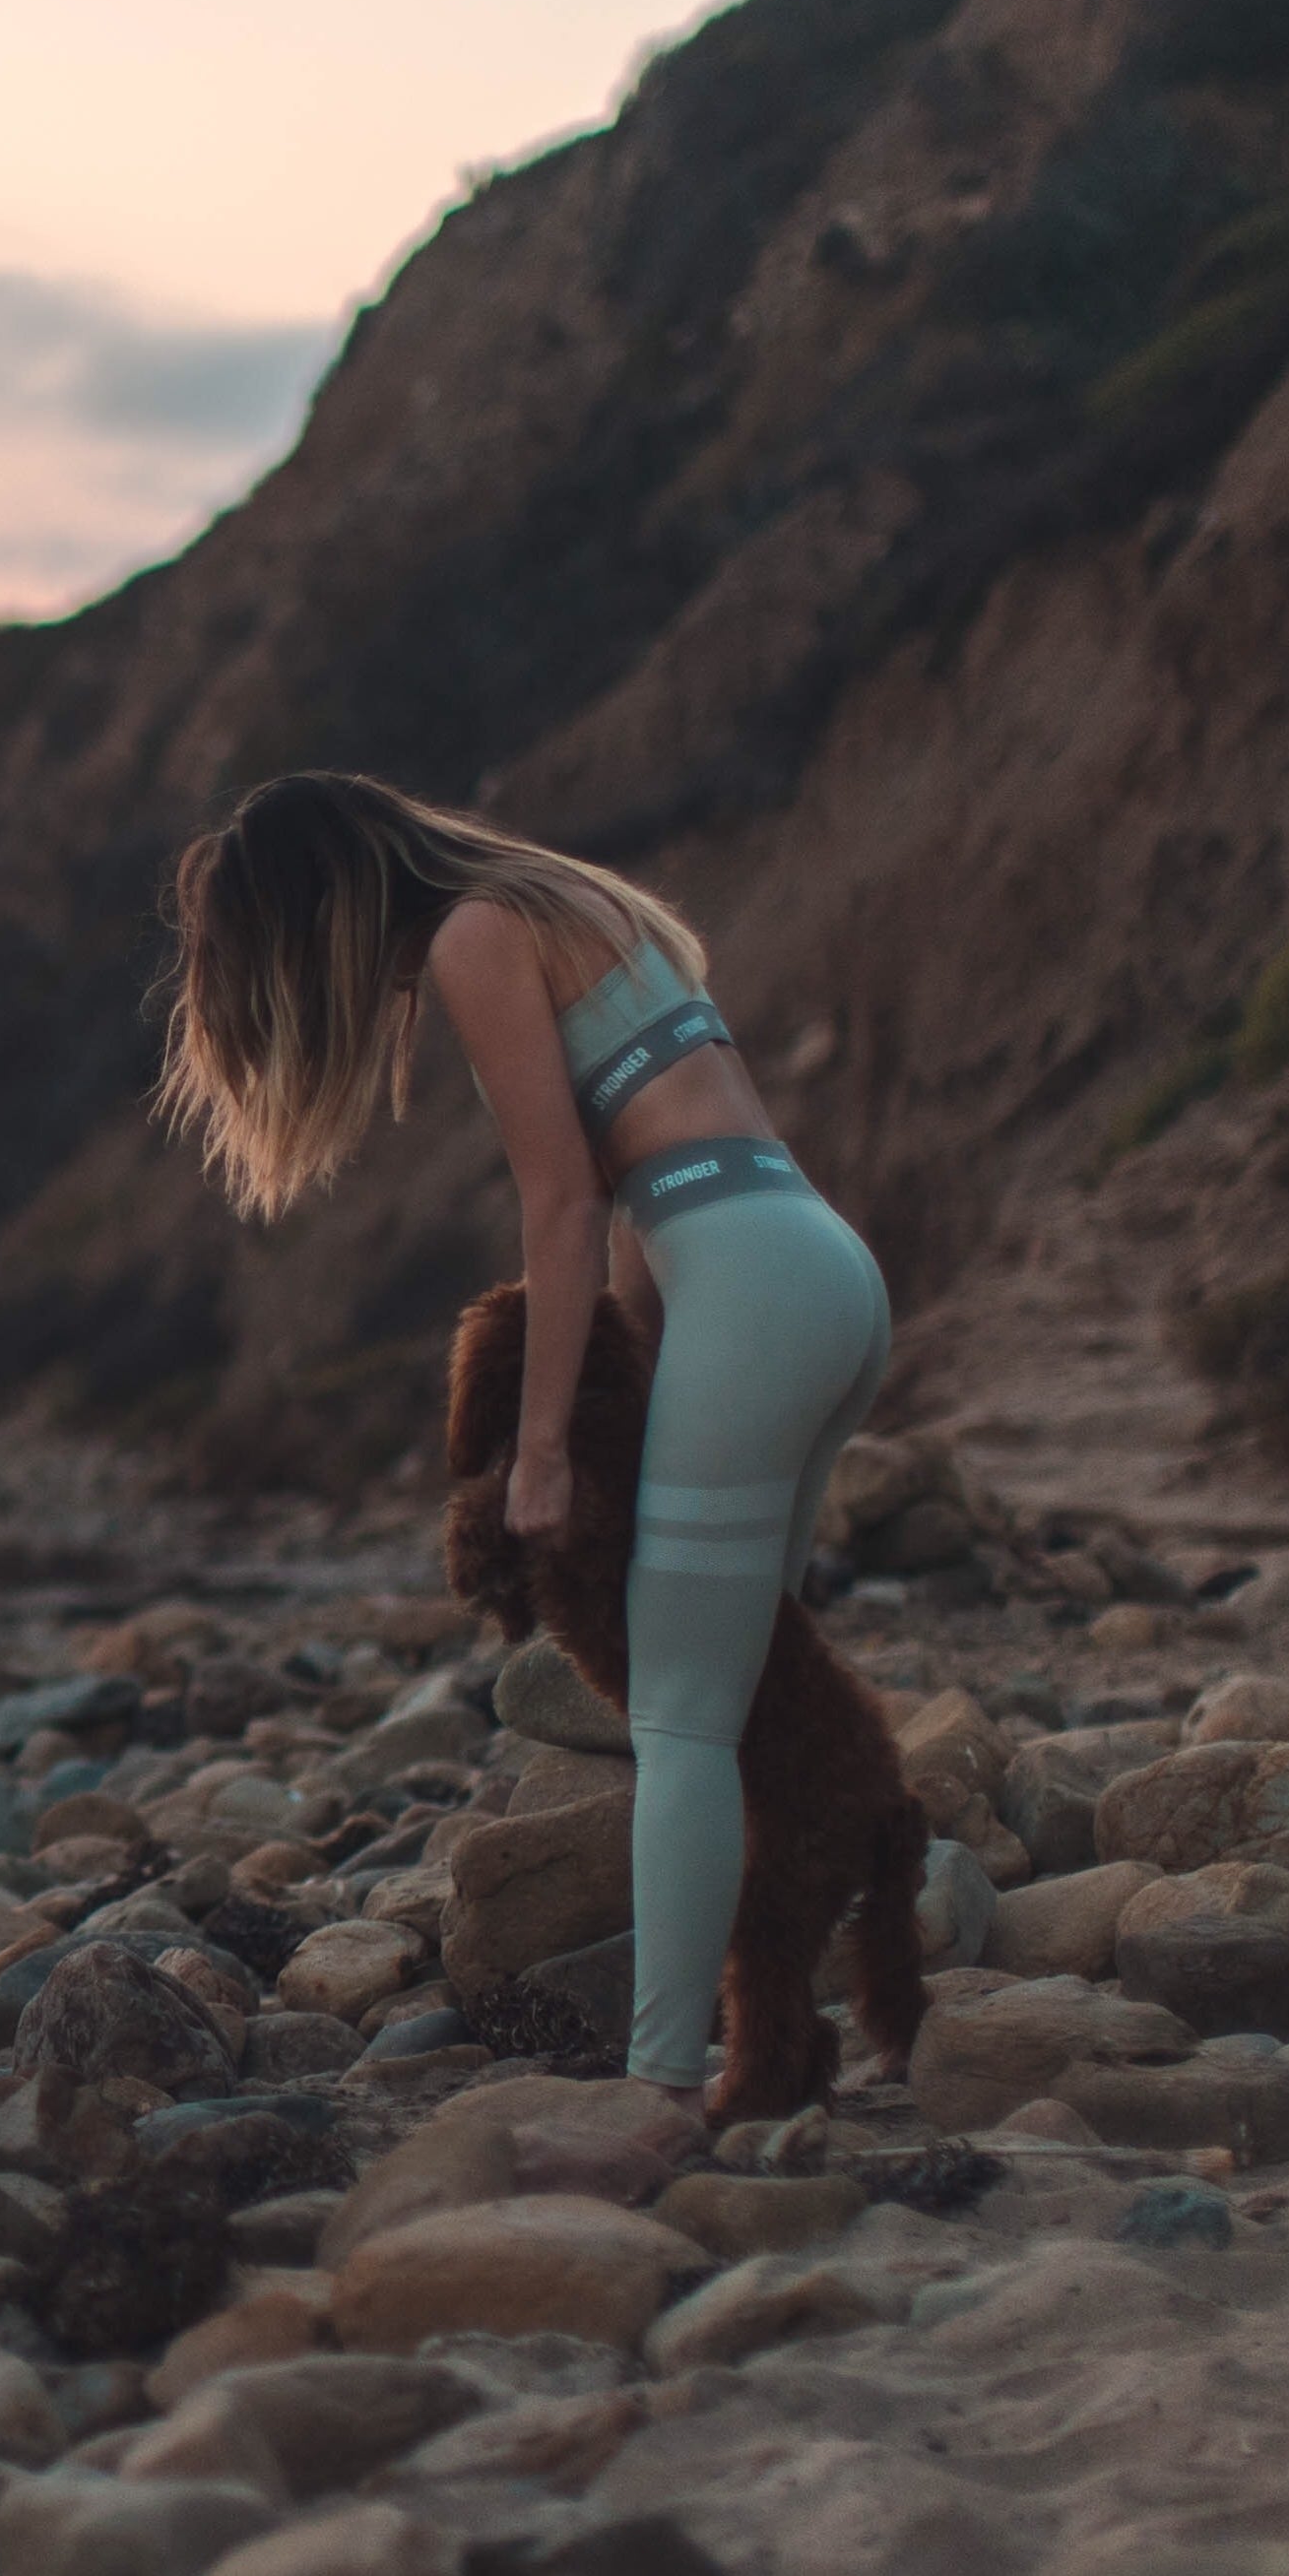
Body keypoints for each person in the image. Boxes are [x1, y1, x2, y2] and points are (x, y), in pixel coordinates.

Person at [157, 770, 889, 2112]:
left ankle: (660, 2099)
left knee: (681, 1724)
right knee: (751, 1709)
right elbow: (636, 1197)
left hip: (749, 1291)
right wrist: (651, 1365)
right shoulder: (579, 908)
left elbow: (558, 1208)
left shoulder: (472, 938)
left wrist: (541, 1449)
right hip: (821, 1272)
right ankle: (777, 2047)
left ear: (321, 909)